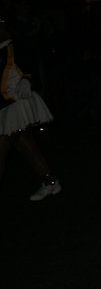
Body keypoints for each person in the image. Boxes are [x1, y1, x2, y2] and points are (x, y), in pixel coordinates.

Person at [0, 17, 59, 201]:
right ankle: (50, 183)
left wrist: (27, 78)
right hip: (5, 107)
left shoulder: (16, 47)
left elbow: (32, 66)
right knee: (27, 147)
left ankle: (50, 183)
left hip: (17, 105)